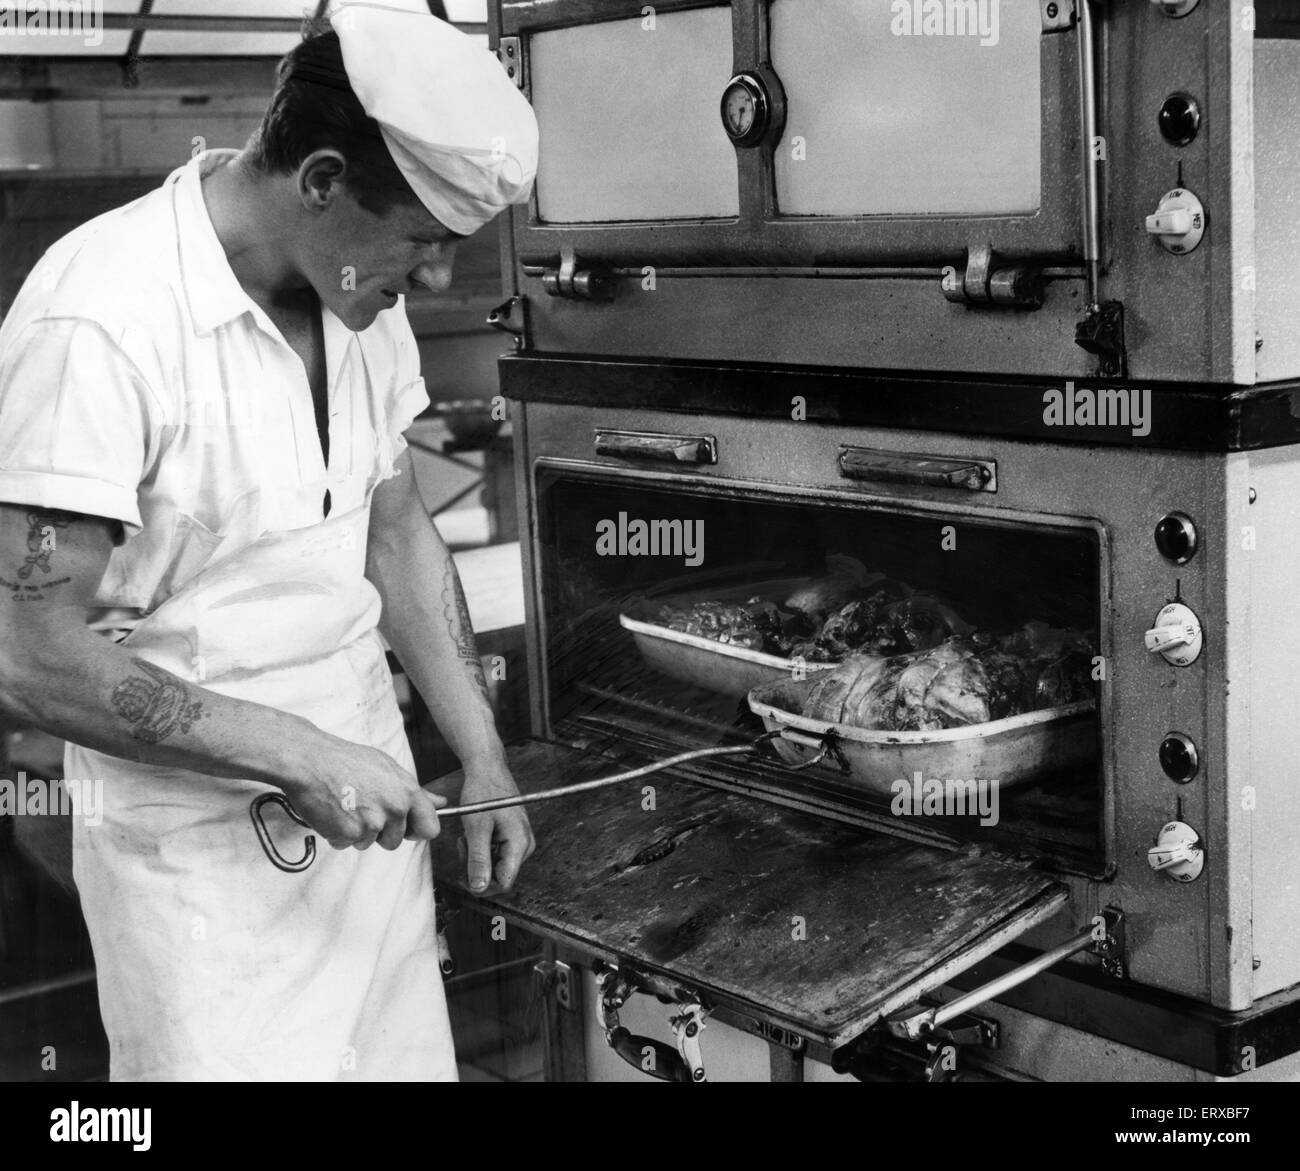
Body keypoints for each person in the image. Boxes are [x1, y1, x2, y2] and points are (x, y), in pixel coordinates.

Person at [0, 1, 538, 1080]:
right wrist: (296, 752)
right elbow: (26, 654)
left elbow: (392, 528)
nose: (432, 282)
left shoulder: (357, 302)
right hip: (198, 865)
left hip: (372, 824)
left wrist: (480, 753)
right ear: (324, 179)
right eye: (423, 243)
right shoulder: (101, 319)